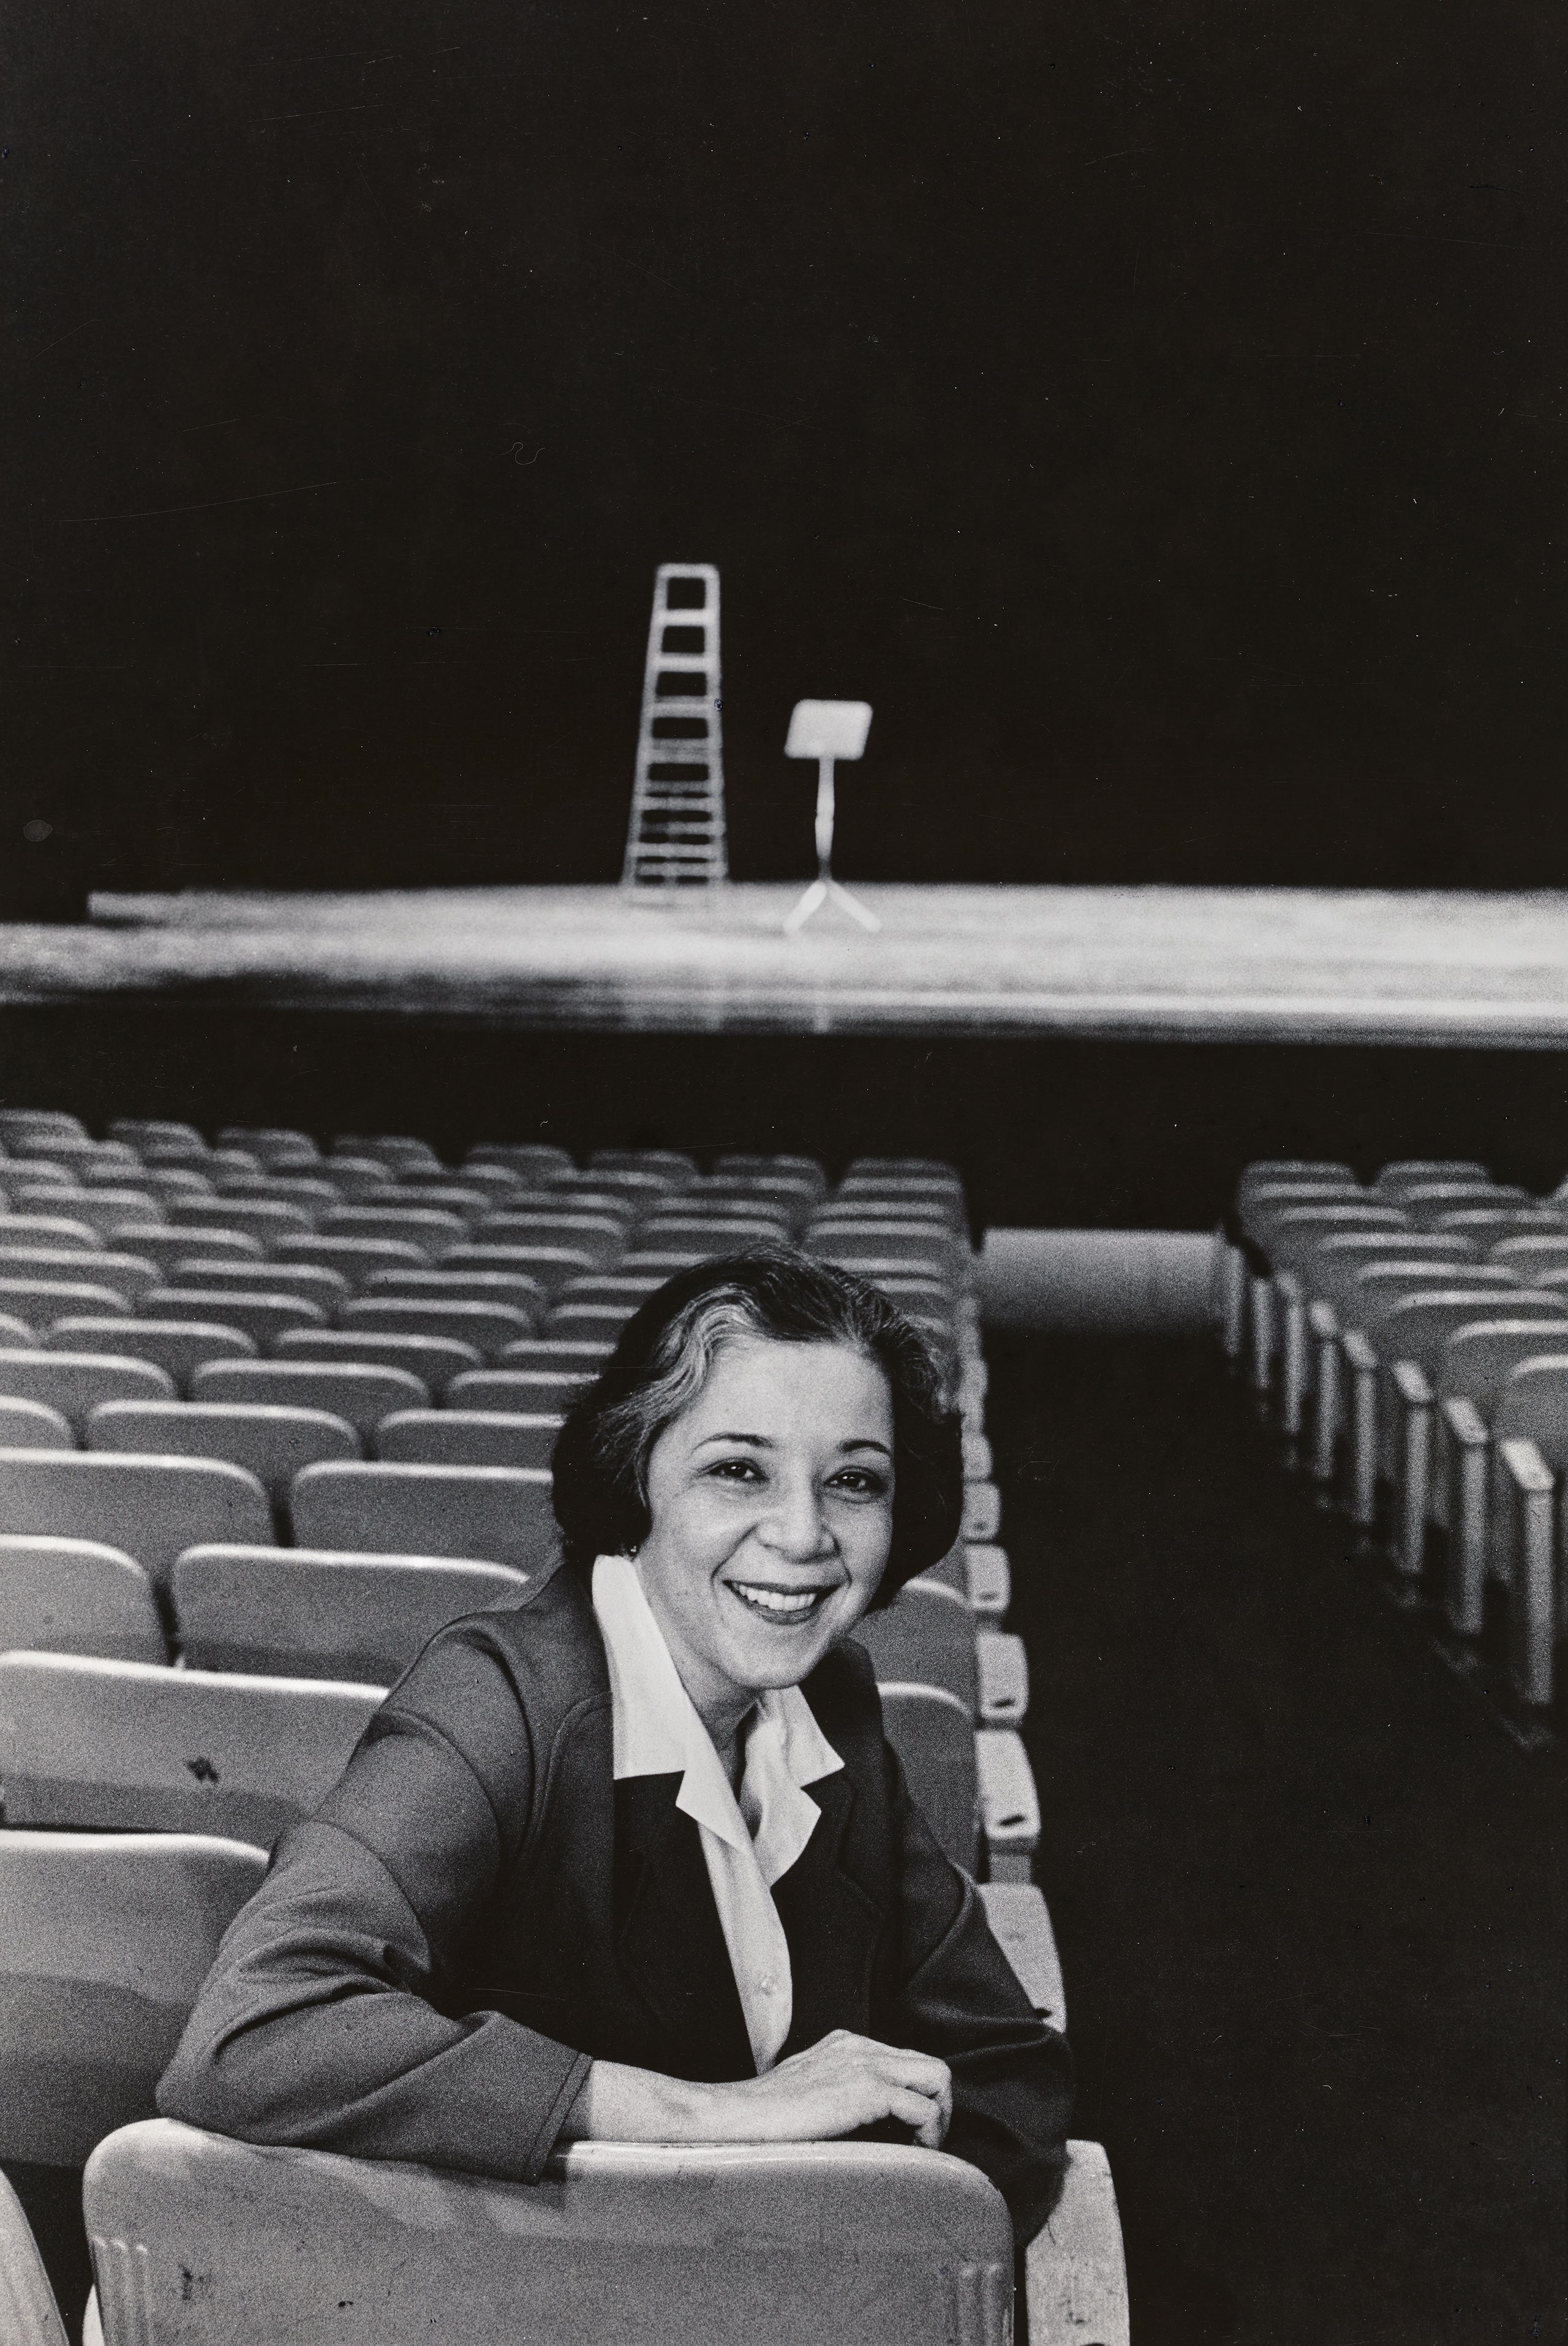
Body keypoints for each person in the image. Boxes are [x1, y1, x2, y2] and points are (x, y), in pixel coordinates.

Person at [157, 1247, 1073, 2242]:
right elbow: (253, 2031)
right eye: (738, 1469)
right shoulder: (496, 1701)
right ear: (635, 1476)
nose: (804, 1534)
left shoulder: (832, 1698)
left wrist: (844, 2261)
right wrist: (714, 2116)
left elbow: (1007, 2072)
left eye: (855, 1480)